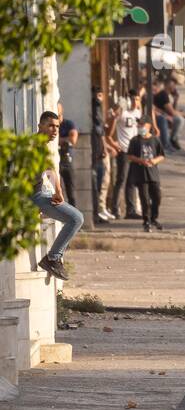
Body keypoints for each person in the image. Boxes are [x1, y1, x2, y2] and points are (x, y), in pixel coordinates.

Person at [30, 111, 83, 280]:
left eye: (57, 126)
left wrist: (58, 193)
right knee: (76, 218)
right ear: (40, 126)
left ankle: (54, 258)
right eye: (50, 125)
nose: (54, 130)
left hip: (41, 193)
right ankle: (52, 258)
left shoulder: (41, 144)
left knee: (75, 217)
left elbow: (52, 171)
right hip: (33, 196)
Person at [108, 91, 142, 219]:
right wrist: (116, 145)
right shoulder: (123, 113)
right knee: (121, 179)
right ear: (128, 100)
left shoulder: (138, 114)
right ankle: (115, 209)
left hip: (135, 151)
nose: (135, 102)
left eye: (137, 99)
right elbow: (110, 130)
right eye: (133, 99)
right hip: (124, 150)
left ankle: (131, 210)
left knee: (132, 181)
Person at [126, 119, 165, 231]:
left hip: (153, 173)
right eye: (139, 124)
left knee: (157, 197)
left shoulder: (155, 140)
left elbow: (161, 155)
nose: (140, 126)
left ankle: (154, 218)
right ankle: (146, 221)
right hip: (140, 174)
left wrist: (155, 161)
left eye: (142, 124)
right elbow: (130, 156)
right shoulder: (135, 140)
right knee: (145, 199)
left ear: (149, 126)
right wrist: (140, 160)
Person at [90, 86, 113, 224]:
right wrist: (104, 148)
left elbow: (103, 132)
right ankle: (98, 210)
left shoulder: (99, 110)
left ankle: (99, 210)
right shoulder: (96, 108)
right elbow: (100, 132)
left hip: (98, 151)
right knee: (97, 184)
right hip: (96, 153)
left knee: (101, 182)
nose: (99, 98)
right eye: (98, 95)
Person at [57, 111, 78, 210]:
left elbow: (73, 140)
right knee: (58, 190)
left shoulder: (69, 124)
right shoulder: (54, 125)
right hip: (57, 161)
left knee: (71, 191)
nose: (58, 117)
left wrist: (60, 140)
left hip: (67, 160)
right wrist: (65, 139)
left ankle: (73, 214)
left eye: (59, 114)